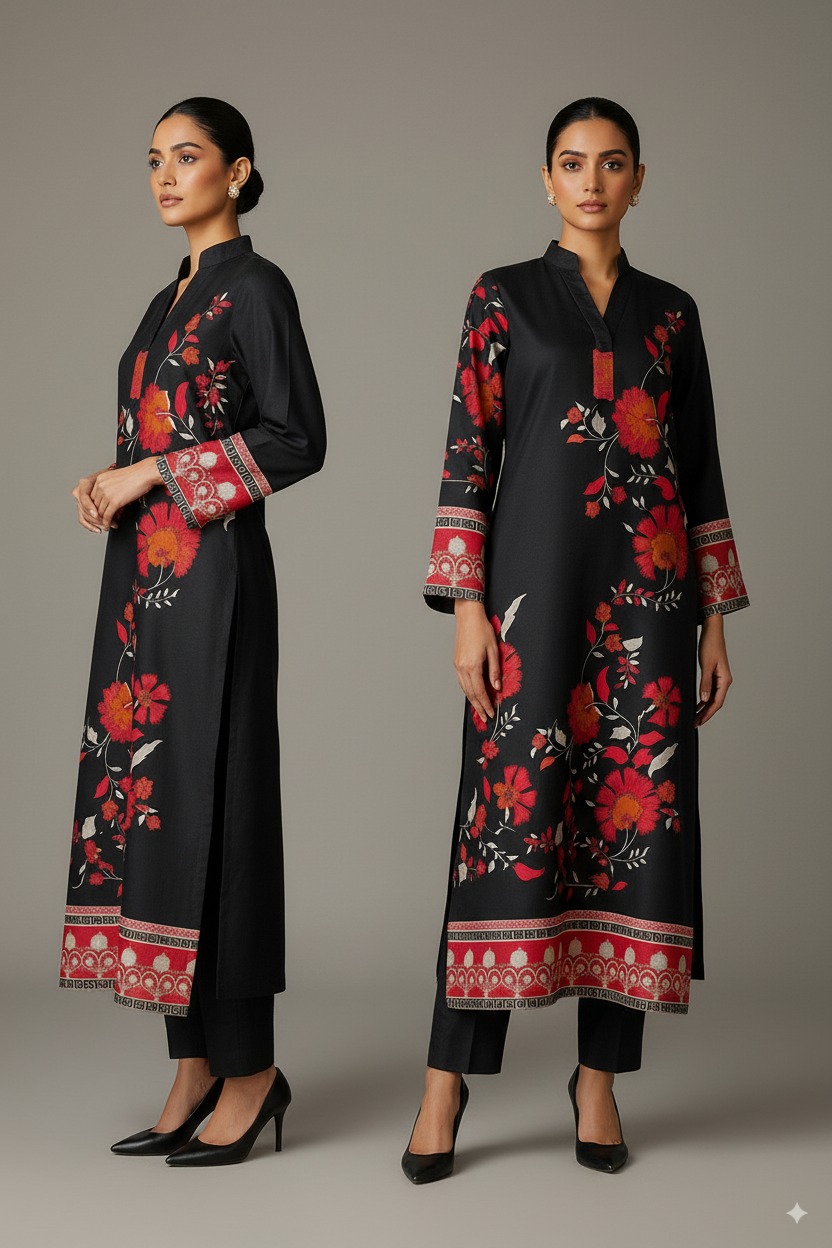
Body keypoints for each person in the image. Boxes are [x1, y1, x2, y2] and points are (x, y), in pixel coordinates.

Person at [401, 96, 750, 1183]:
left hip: (650, 607)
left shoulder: (672, 314)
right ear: (544, 179)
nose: (591, 181)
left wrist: (713, 619)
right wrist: (466, 608)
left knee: (630, 830)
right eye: (571, 162)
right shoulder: (502, 296)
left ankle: (598, 1082)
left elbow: (698, 467)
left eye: (611, 163)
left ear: (639, 179)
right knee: (501, 829)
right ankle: (446, 1082)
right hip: (530, 603)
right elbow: (468, 451)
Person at [61, 97, 326, 1167]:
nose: (166, 176)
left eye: (188, 157)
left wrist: (153, 475)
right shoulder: (166, 296)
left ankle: (251, 1071)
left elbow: (297, 436)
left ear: (239, 171)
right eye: (155, 160)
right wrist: (112, 479)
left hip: (215, 581)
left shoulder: (255, 286)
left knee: (223, 810)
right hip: (143, 585)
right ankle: (192, 1066)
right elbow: (161, 436)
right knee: (157, 810)